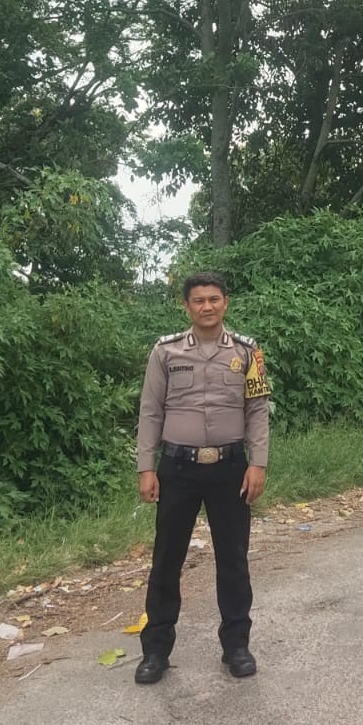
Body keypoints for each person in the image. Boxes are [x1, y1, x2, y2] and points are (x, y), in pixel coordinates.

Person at [133, 271, 271, 685]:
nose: (206, 306)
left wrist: (258, 463)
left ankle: (237, 646)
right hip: (178, 469)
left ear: (225, 302)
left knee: (233, 560)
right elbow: (150, 411)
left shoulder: (248, 352)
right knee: (166, 561)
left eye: (214, 299)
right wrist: (146, 468)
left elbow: (257, 410)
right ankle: (156, 651)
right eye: (198, 300)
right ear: (186, 306)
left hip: (231, 468)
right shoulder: (165, 352)